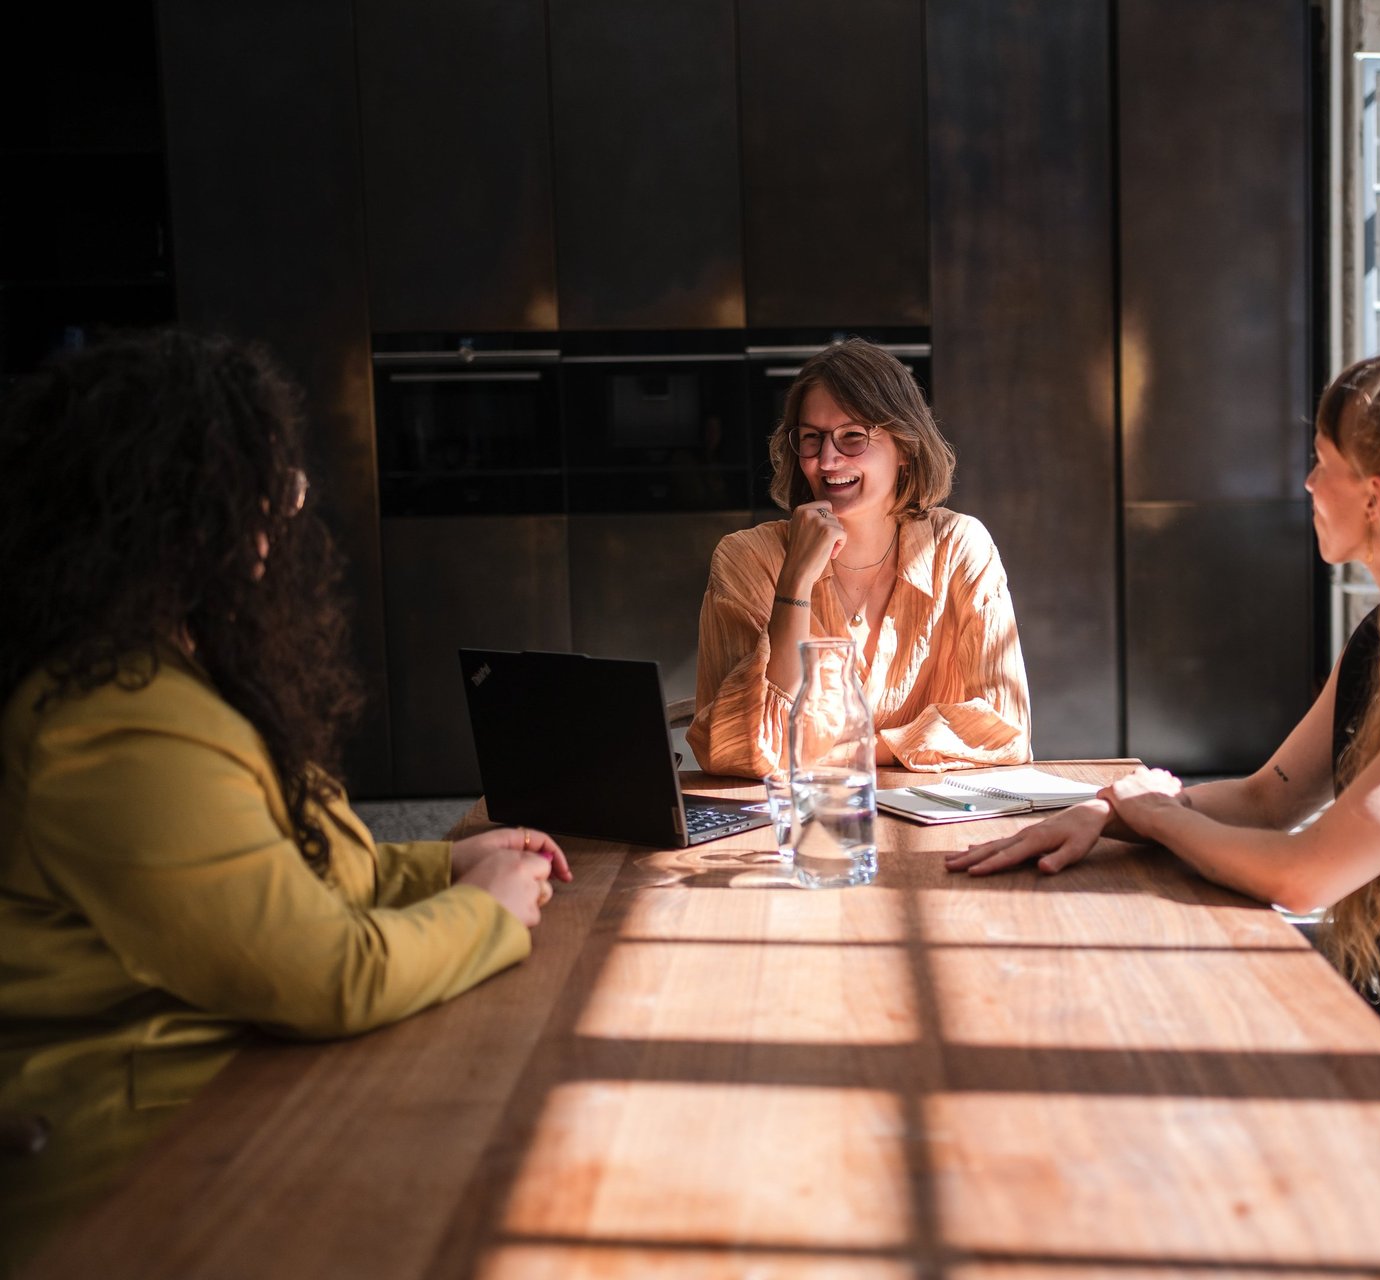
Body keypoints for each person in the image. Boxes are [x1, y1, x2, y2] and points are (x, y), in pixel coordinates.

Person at [948, 324, 1380, 1167]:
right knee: (1163, 1005)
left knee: (1187, 1082)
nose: (1307, 482)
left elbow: (1303, 871)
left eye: (1321, 460)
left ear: (1376, 496)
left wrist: (1158, 816)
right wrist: (1108, 812)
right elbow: (1270, 798)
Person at [0, 330, 570, 1270]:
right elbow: (326, 975)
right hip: (149, 1169)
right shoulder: (116, 726)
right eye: (266, 485)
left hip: (244, 1100)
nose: (286, 512)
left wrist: (442, 860)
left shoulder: (163, 673)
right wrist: (482, 910)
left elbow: (282, 868)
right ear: (180, 515)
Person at [689, 338, 1031, 777]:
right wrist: (794, 582)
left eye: (853, 436)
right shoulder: (745, 558)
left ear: (905, 447)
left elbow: (1004, 728)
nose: (827, 460)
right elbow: (737, 748)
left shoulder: (960, 548)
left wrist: (851, 753)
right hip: (789, 827)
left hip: (934, 827)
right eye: (811, 438)